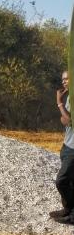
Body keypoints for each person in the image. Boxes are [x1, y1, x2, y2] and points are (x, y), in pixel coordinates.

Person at [51, 70, 74, 225]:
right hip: (67, 144)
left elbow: (69, 120)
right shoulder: (70, 97)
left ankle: (71, 214)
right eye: (63, 80)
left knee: (62, 181)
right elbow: (65, 120)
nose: (64, 82)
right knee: (71, 181)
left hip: (73, 149)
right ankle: (68, 210)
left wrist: (59, 102)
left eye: (67, 79)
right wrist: (65, 115)